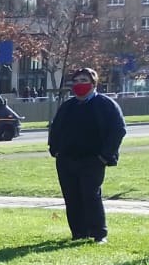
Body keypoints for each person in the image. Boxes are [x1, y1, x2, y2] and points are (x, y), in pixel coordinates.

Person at [47, 67, 126, 244]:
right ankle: (79, 233)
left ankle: (99, 233)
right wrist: (55, 149)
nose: (78, 85)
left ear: (93, 83)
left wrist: (105, 156)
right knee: (71, 196)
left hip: (93, 160)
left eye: (83, 81)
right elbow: (56, 129)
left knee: (91, 196)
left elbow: (118, 130)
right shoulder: (68, 106)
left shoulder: (105, 105)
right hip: (67, 159)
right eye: (75, 81)